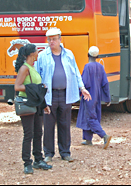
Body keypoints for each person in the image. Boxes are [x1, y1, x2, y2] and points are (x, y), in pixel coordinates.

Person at [35, 28, 92, 163]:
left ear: (60, 39)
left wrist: (82, 87)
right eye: (49, 39)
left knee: (65, 124)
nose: (51, 42)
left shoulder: (69, 54)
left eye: (54, 39)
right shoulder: (43, 56)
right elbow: (37, 75)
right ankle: (48, 153)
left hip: (66, 94)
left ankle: (65, 152)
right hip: (50, 95)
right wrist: (39, 95)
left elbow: (76, 72)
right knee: (48, 125)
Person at [14, 44, 52, 174]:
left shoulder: (33, 68)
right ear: (31, 54)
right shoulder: (25, 68)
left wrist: (44, 104)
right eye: (36, 51)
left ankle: (38, 159)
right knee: (28, 134)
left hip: (36, 104)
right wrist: (35, 88)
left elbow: (37, 89)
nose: (38, 53)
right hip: (26, 104)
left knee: (38, 133)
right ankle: (27, 163)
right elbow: (17, 87)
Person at [76, 46, 112, 149]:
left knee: (90, 117)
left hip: (88, 96)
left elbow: (84, 83)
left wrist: (78, 94)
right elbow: (105, 83)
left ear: (88, 55)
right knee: (89, 115)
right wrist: (107, 98)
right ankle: (88, 140)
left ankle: (104, 136)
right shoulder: (100, 67)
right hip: (97, 96)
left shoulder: (87, 67)